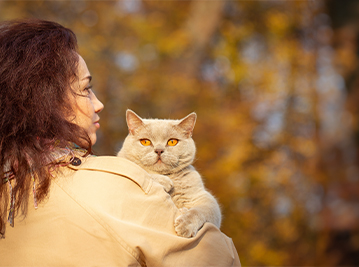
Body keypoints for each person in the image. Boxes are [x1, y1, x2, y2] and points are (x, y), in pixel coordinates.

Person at [0, 19, 240, 266]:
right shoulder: (117, 186)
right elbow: (219, 260)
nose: (98, 103)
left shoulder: (9, 192)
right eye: (86, 89)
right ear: (47, 101)